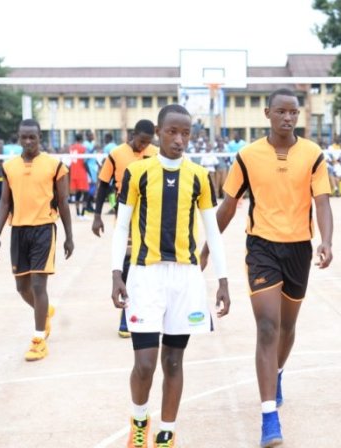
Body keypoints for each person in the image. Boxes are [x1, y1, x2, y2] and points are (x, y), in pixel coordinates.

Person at [200, 88, 333, 448]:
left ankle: (277, 372)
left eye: (293, 112)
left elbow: (322, 202)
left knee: (287, 327)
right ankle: (268, 417)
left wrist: (326, 240)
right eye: (281, 112)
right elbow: (228, 206)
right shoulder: (247, 156)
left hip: (299, 249)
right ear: (267, 113)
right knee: (267, 326)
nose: (287, 118)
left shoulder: (313, 154)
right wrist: (208, 247)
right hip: (261, 248)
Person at [112, 104, 230, 448]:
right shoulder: (137, 172)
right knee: (145, 364)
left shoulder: (199, 176)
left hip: (185, 278)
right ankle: (139, 421)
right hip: (145, 276)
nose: (179, 140)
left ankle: (166, 432)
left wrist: (222, 280)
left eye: (186, 134)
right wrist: (116, 273)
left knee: (174, 362)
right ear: (158, 133)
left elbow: (212, 230)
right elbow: (122, 227)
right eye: (172, 132)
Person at [0, 119, 74, 361]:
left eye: (32, 137)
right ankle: (45, 311)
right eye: (24, 137)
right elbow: (4, 203)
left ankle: (39, 340)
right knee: (22, 287)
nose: (28, 142)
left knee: (38, 285)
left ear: (40, 138)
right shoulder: (9, 167)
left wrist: (69, 236)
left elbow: (63, 202)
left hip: (44, 229)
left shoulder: (54, 165)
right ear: (18, 138)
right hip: (18, 230)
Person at [92, 119, 157, 338]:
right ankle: (126, 317)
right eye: (141, 141)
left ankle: (149, 314)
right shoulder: (116, 154)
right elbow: (103, 185)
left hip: (150, 216)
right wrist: (97, 216)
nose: (144, 146)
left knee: (150, 264)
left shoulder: (155, 153)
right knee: (128, 264)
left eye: (148, 142)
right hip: (126, 215)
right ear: (132, 135)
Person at [69, 134, 89, 220]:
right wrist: (89, 173)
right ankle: (82, 214)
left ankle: (78, 214)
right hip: (81, 173)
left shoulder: (71, 148)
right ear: (82, 139)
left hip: (73, 173)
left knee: (77, 194)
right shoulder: (83, 148)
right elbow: (84, 161)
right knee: (86, 193)